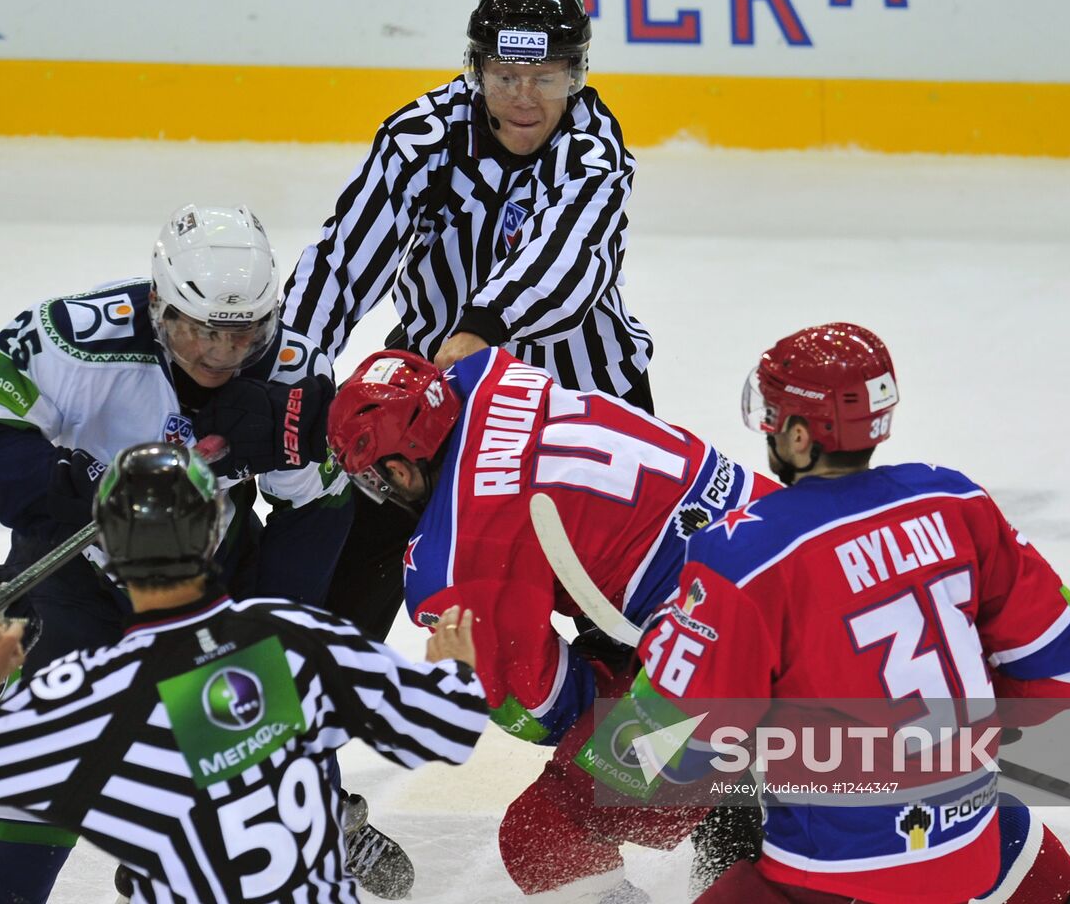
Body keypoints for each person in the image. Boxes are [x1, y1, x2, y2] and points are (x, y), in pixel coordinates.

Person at [0, 205, 354, 903]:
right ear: (159, 304)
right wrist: (75, 485)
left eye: (244, 331)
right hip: (76, 575)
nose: (222, 352)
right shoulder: (75, 336)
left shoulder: (293, 370)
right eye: (201, 331)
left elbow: (316, 507)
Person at [0, 441, 486, 904]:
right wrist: (455, 671)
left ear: (113, 554)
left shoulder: (82, 690)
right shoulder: (296, 640)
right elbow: (447, 720)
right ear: (212, 537)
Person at [632, 323, 1070, 903]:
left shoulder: (742, 554)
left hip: (831, 874)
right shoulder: (955, 501)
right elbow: (1069, 672)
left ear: (800, 436)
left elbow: (672, 756)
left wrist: (662, 642)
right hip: (967, 847)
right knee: (1002, 825)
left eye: (775, 416)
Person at [273, 0, 655, 644]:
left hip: (581, 396)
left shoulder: (595, 151)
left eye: (546, 76)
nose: (524, 97)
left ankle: (615, 732)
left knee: (622, 589)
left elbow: (566, 260)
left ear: (577, 74)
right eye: (503, 74)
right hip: (427, 399)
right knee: (350, 557)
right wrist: (290, 363)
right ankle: (289, 710)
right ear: (475, 69)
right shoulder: (421, 137)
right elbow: (346, 258)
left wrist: (480, 327)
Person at [318, 345, 776, 901]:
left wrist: (484, 679)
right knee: (635, 661)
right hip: (806, 566)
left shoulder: (456, 560)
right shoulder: (485, 375)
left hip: (736, 656)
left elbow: (546, 709)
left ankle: (724, 777)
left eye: (375, 481)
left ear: (397, 469)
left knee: (543, 836)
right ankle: (738, 819)